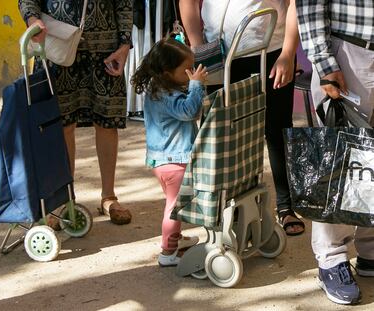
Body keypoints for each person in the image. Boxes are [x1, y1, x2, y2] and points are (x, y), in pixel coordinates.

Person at [179, 0, 304, 236]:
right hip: (219, 55)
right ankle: (225, 206)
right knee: (222, 133)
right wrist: (198, 46)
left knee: (277, 130)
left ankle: (286, 206)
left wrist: (288, 52)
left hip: (271, 50)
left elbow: (295, 4)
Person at [18, 0, 133, 225]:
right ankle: (64, 200)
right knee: (61, 125)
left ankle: (108, 197)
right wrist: (33, 19)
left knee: (107, 122)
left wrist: (124, 44)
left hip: (105, 50)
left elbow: (124, 4)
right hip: (56, 46)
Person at [296, 0, 374, 305]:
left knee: (370, 160)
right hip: (348, 51)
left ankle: (369, 250)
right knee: (337, 159)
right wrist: (325, 62)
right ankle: (331, 259)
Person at [131, 38, 207, 266]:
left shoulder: (159, 88)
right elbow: (189, 112)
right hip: (174, 161)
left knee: (174, 202)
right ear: (166, 72)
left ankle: (176, 239)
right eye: (185, 71)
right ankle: (167, 252)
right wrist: (196, 86)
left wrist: (189, 84)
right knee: (174, 207)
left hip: (163, 160)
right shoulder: (166, 95)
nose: (190, 73)